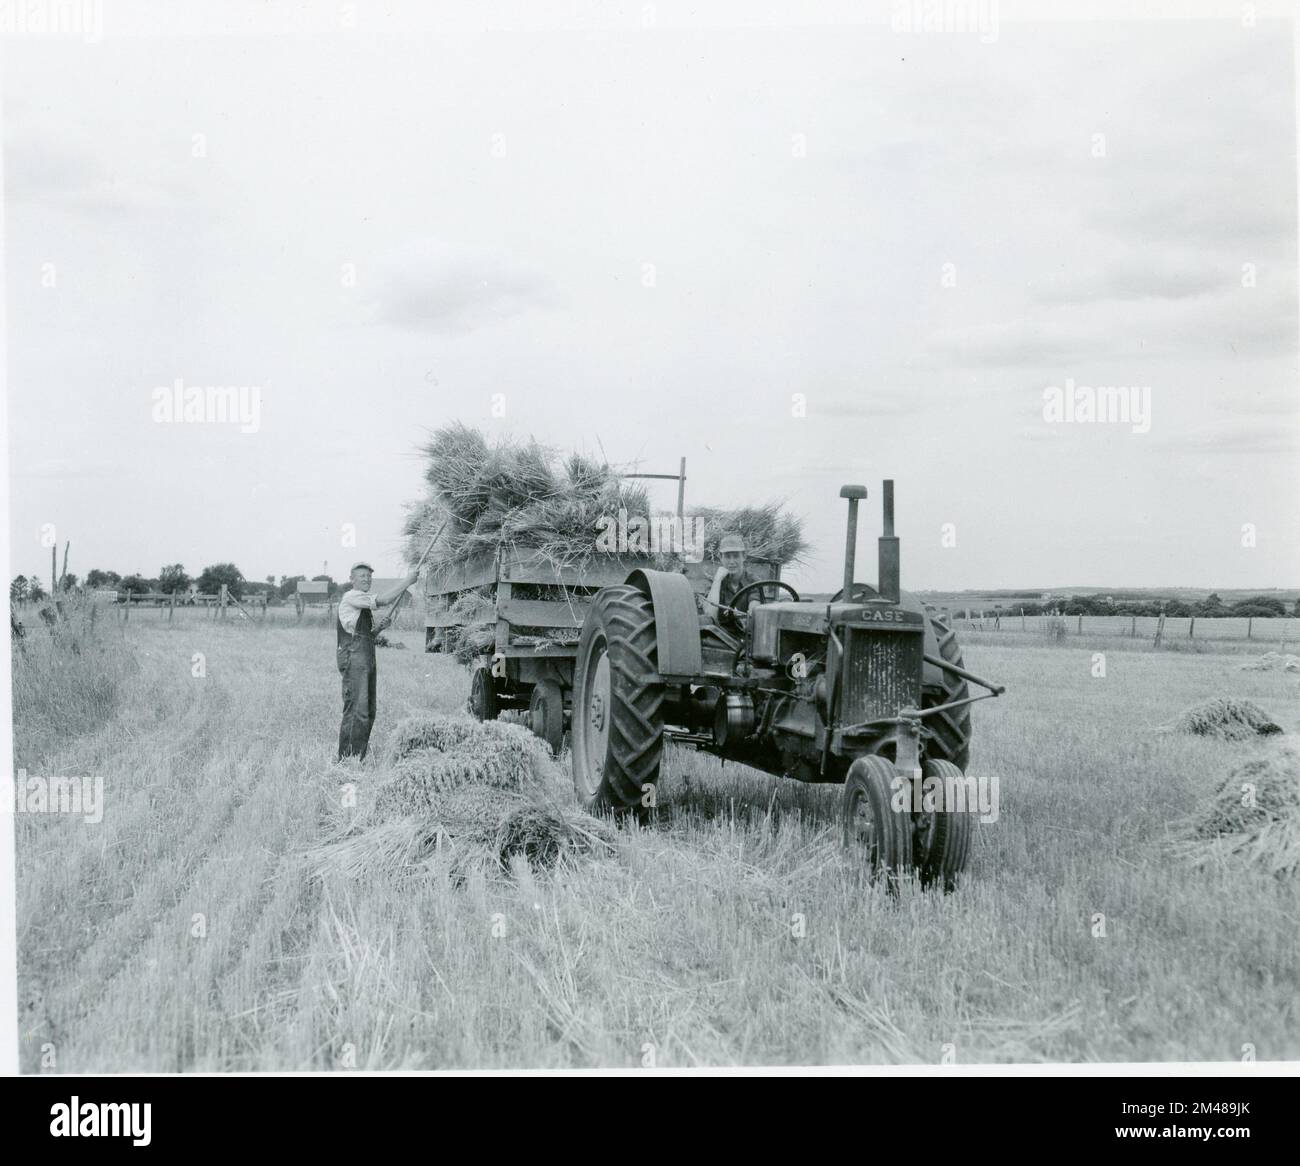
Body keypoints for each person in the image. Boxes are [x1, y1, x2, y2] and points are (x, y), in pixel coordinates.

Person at [336, 561, 420, 762]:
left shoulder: (362, 602)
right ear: (352, 580)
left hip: (365, 658)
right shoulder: (352, 596)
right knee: (358, 710)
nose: (366, 579)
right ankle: (348, 759)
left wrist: (378, 629)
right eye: (362, 576)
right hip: (354, 658)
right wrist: (408, 581)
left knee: (368, 710)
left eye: (369, 576)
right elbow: (383, 600)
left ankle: (356, 757)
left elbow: (366, 636)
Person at [704, 533, 762, 624]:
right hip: (720, 635)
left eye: (736, 556)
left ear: (744, 556)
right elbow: (709, 616)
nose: (731, 562)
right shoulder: (715, 581)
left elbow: (754, 614)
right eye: (727, 557)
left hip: (744, 633)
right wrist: (717, 581)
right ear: (720, 558)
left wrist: (739, 615)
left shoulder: (753, 581)